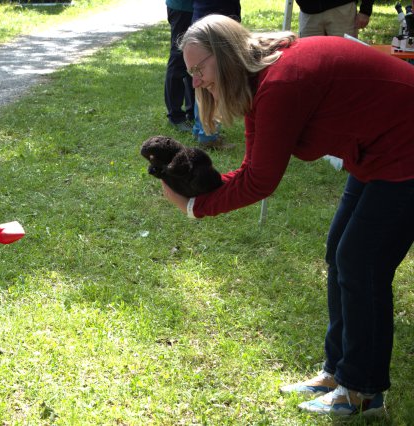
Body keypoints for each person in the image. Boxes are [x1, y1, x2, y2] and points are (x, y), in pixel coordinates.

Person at [162, 15, 414, 416]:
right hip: (377, 151)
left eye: (199, 69)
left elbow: (261, 182)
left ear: (224, 56)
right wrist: (202, 188)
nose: (195, 82)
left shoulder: (280, 84)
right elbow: (251, 168)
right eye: (190, 72)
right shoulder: (259, 80)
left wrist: (196, 207)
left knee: (360, 261)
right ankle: (338, 372)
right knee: (340, 252)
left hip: (405, 149)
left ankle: (363, 392)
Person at [190, 0, 240, 149]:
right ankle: (208, 135)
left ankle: (201, 129)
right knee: (210, 81)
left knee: (205, 81)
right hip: (214, 26)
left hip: (207, 21)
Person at [164, 0, 195, 133]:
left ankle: (192, 111)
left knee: (194, 58)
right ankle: (175, 116)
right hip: (182, 8)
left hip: (195, 8)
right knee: (178, 58)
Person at [296, 0, 374, 38]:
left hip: (342, 9)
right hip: (308, 12)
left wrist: (365, 10)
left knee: (346, 60)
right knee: (309, 60)